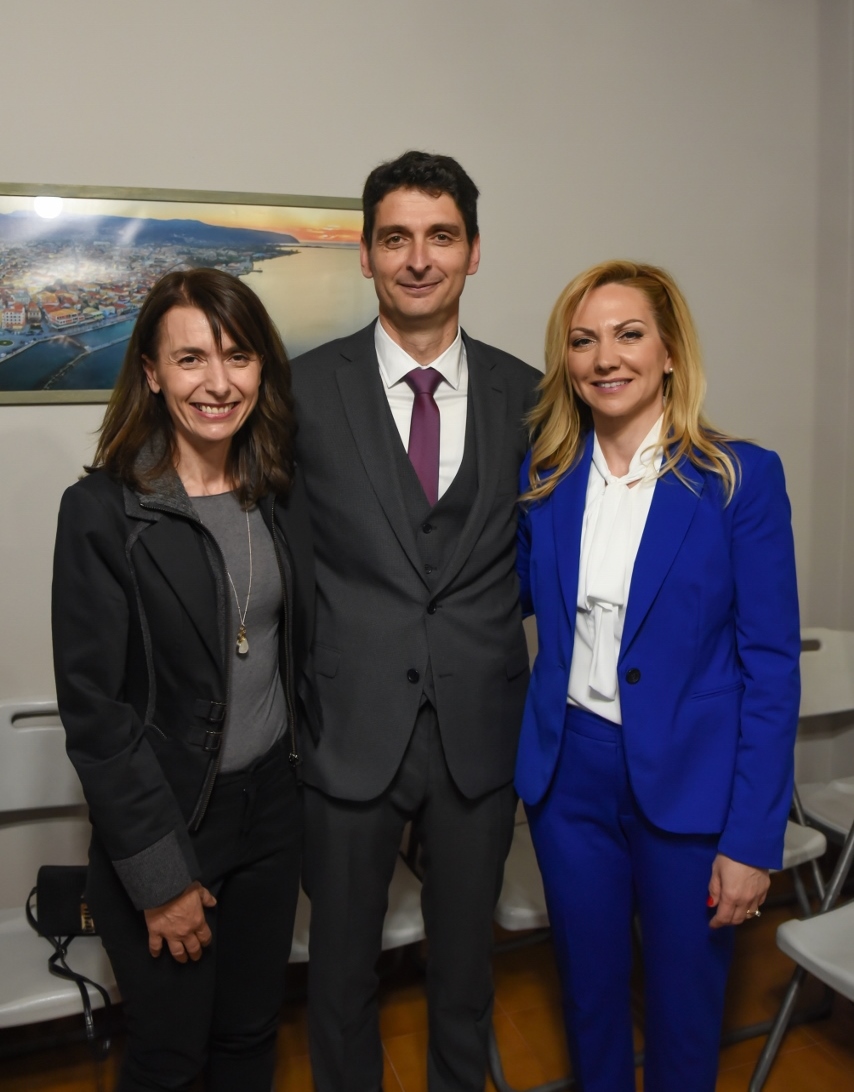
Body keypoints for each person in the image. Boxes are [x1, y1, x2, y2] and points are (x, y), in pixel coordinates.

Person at [515, 259, 800, 1091]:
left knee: (684, 1010)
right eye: (583, 340)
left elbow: (772, 669)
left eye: (629, 335)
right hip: (570, 778)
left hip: (690, 785)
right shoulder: (546, 476)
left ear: (670, 352)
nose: (605, 357)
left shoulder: (739, 478)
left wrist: (752, 839)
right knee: (590, 997)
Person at [291, 150, 540, 1092]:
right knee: (340, 977)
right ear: (366, 255)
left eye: (441, 236)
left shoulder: (533, 395)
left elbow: (545, 556)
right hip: (348, 730)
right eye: (396, 238)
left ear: (474, 251)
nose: (419, 258)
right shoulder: (302, 391)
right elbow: (287, 560)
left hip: (480, 729)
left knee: (468, 975)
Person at [51, 268, 316, 1092]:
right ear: (152, 372)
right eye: (191, 358)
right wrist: (161, 880)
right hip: (169, 824)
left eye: (238, 356)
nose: (218, 382)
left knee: (250, 1037)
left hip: (271, 814)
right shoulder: (102, 512)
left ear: (262, 368)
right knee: (170, 1059)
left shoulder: (278, 491)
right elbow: (95, 716)